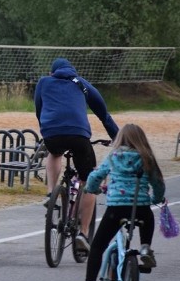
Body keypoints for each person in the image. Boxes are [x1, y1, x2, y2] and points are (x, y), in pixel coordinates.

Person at [76, 123, 165, 281]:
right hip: (140, 207)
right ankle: (145, 249)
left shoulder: (113, 156)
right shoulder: (147, 157)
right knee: (147, 218)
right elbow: (158, 182)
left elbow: (95, 177)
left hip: (116, 208)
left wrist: (91, 189)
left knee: (98, 246)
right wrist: (155, 199)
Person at [34, 57, 119, 251]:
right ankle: (83, 232)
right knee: (88, 180)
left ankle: (50, 192)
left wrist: (46, 128)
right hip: (79, 135)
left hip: (52, 132)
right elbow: (104, 114)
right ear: (73, 71)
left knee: (54, 153)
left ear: (52, 72)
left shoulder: (43, 82)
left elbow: (39, 110)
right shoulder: (82, 83)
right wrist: (116, 137)